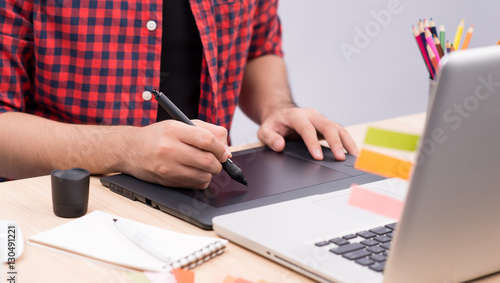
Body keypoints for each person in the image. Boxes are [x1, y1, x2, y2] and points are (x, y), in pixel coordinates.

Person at [0, 0, 358, 189]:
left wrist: (277, 106)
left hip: (208, 200)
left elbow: (257, 46)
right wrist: (126, 150)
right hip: (63, 216)